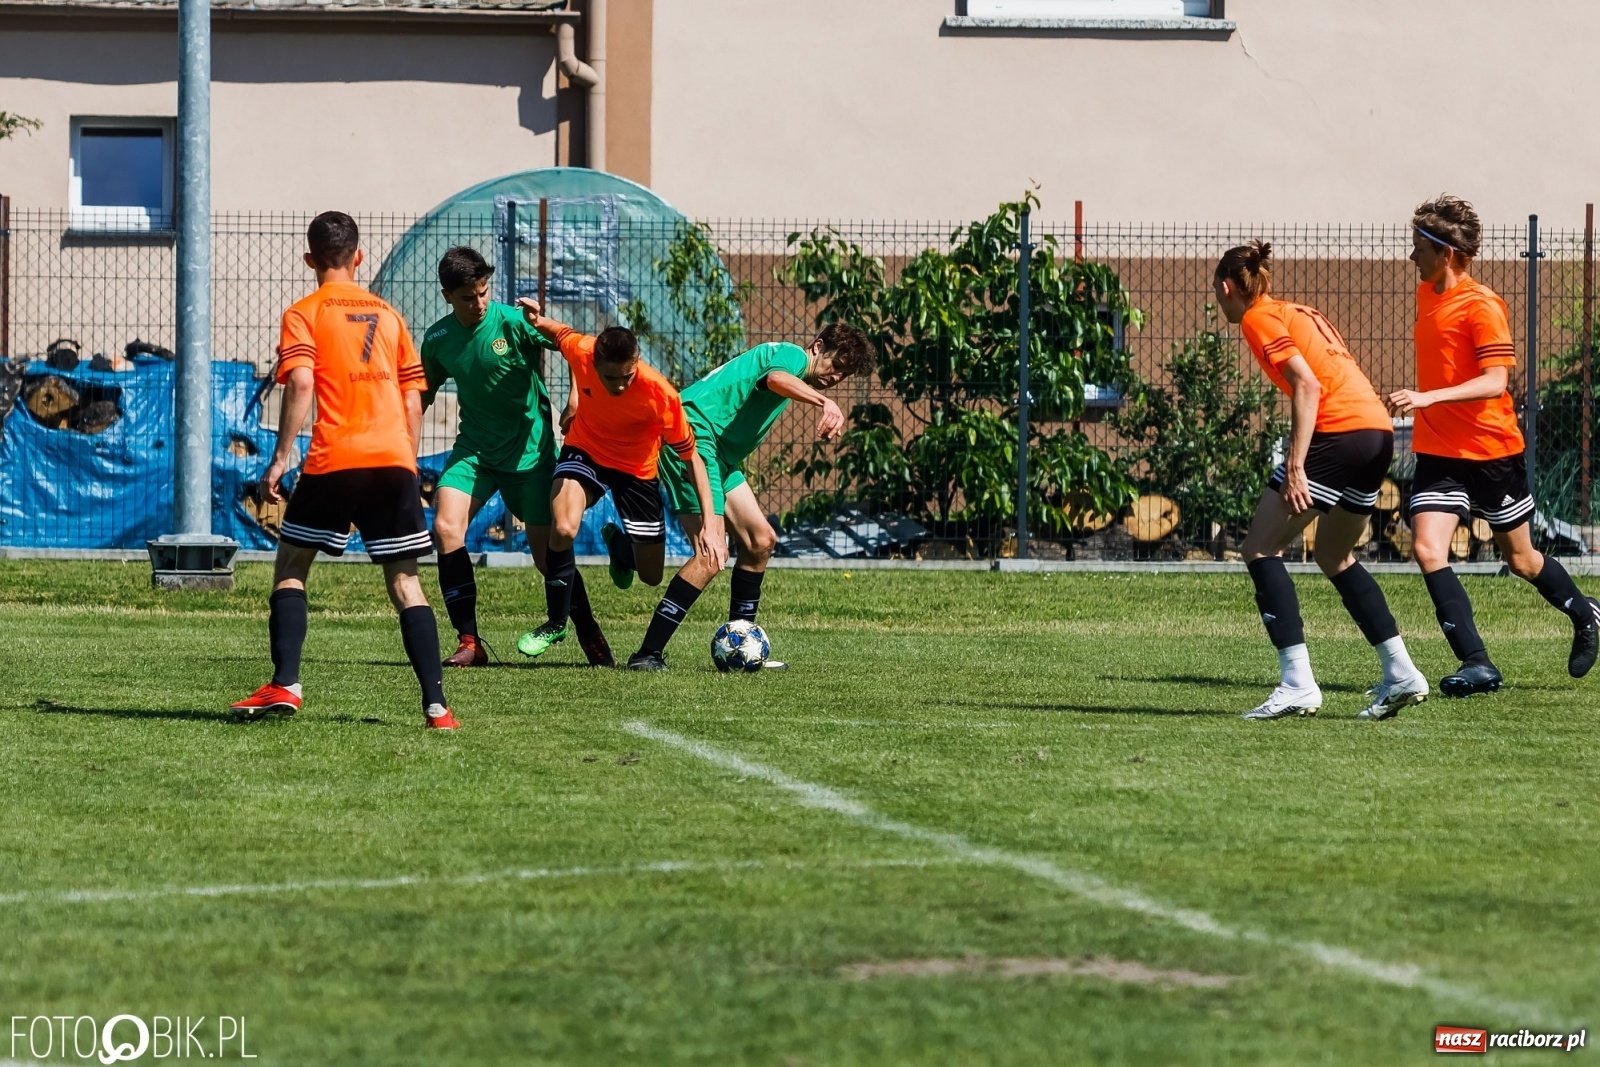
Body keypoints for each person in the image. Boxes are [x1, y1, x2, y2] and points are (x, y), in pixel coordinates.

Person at [231, 211, 458, 729]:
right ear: (359, 256)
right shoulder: (390, 315)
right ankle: (437, 707)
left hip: (335, 457)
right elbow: (412, 399)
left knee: (291, 567)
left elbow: (303, 384)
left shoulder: (304, 312)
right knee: (405, 583)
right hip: (393, 460)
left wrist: (281, 457)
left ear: (310, 259)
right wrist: (406, 458)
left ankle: (285, 684)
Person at [1389, 194, 1599, 696]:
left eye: (1419, 246)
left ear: (1448, 253)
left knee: (1522, 561)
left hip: (1491, 451)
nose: (1411, 256)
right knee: (1426, 548)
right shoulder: (1425, 295)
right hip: (1440, 453)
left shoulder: (1481, 304)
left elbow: (1495, 381)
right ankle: (1477, 663)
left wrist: (1425, 397)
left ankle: (1588, 612)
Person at [1215, 240, 1430, 721]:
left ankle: (1297, 684)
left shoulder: (1256, 318)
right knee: (1335, 554)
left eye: (1218, 294)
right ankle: (1401, 672)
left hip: (1340, 433)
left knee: (1259, 549)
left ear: (1227, 287)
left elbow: (1308, 385)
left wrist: (1295, 463)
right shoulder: (1299, 311)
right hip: (1376, 433)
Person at [627, 324, 876, 671]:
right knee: (712, 554)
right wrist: (823, 401)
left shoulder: (794, 366)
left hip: (721, 455)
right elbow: (775, 378)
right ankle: (647, 654)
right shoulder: (790, 355)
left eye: (844, 375)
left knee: (761, 540)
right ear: (818, 346)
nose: (837, 377)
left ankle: (741, 647)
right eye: (837, 365)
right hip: (695, 441)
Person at [419, 247, 613, 668]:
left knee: (548, 559)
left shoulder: (514, 321)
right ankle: (469, 642)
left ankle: (587, 629)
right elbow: (419, 398)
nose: (479, 303)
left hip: (531, 457)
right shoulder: (438, 340)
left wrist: (576, 400)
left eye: (484, 292)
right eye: (468, 297)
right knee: (445, 527)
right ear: (447, 296)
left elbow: (581, 350)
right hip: (475, 453)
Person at [513, 299, 725, 658]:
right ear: (595, 362)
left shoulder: (661, 395)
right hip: (586, 451)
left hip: (638, 470)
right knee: (563, 528)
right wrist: (536, 319)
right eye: (611, 378)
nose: (621, 385)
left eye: (628, 376)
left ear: (636, 362)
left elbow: (694, 461)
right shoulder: (582, 351)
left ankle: (621, 549)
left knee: (651, 575)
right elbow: (561, 333)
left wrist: (709, 523)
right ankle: (555, 622)